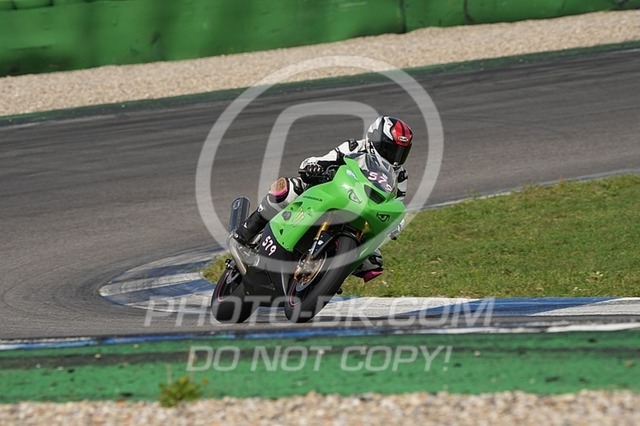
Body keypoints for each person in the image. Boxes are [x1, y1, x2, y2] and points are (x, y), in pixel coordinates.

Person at [232, 115, 413, 282]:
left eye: (401, 151)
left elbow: (396, 205)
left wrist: (395, 223)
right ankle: (245, 234)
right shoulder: (354, 148)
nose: (395, 157)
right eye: (390, 149)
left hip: (364, 212)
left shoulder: (400, 176)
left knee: (373, 261)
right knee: (288, 189)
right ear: (374, 139)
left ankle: (326, 277)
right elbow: (319, 160)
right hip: (331, 192)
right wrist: (313, 167)